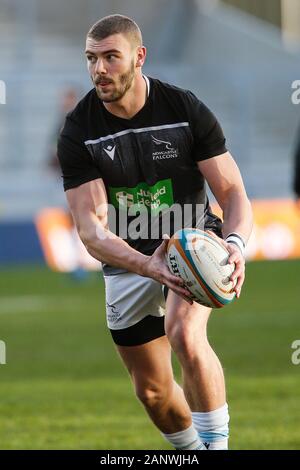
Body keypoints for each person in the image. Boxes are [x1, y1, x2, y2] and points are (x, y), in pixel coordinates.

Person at [57, 14, 253, 450]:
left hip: (191, 244)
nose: (99, 69)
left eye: (111, 57)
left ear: (139, 57)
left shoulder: (184, 109)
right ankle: (190, 452)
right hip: (130, 259)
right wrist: (147, 264)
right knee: (153, 392)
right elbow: (91, 230)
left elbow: (232, 191)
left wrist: (236, 244)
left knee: (185, 333)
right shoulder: (79, 130)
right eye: (91, 59)